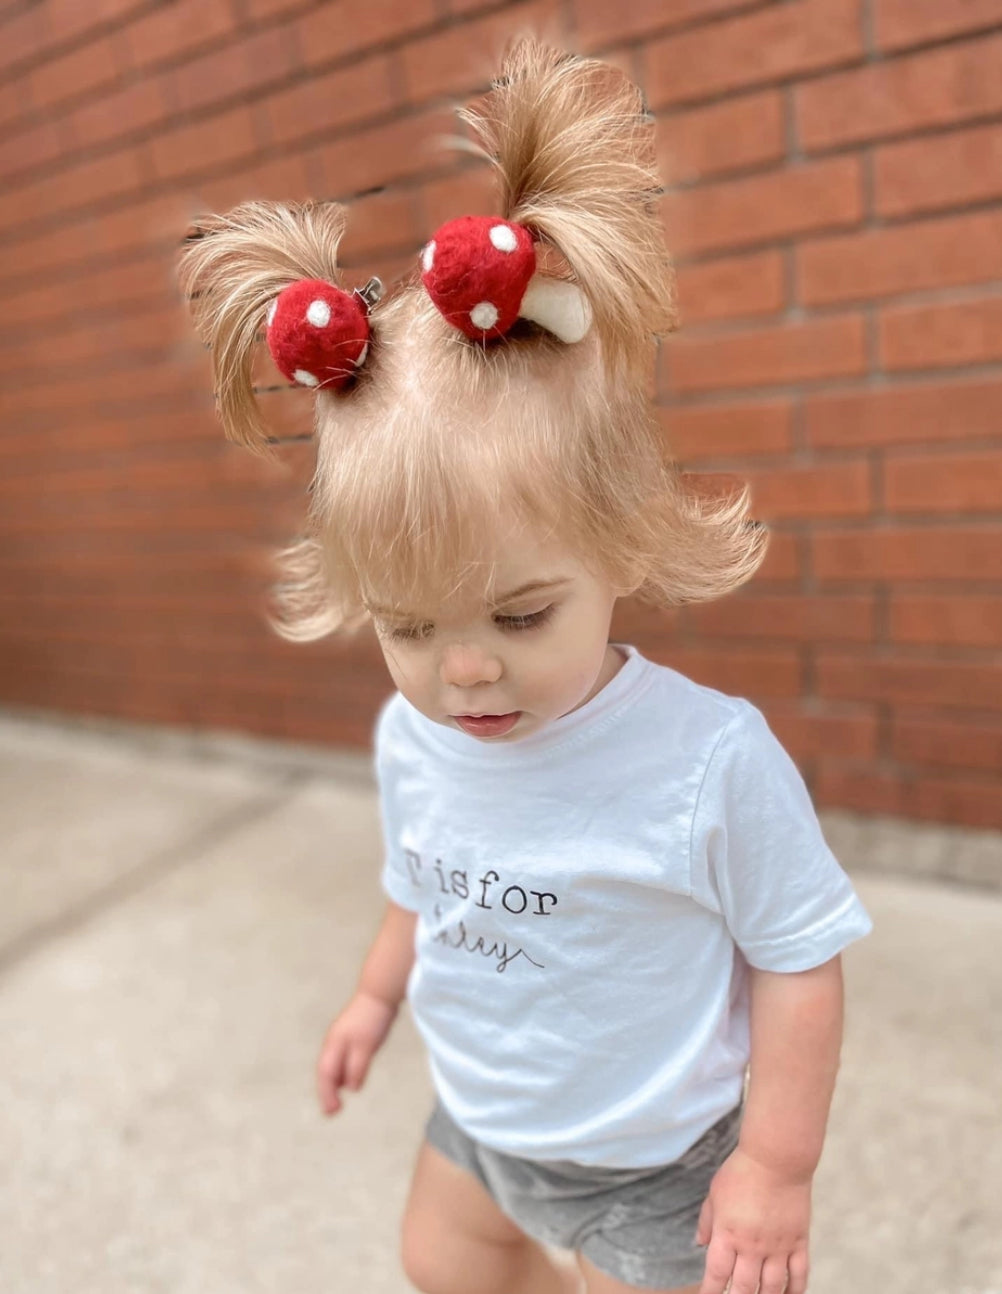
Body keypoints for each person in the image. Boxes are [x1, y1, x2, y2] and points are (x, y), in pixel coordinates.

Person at [178, 37, 873, 1294]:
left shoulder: (707, 759)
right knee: (444, 1261)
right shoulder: (415, 738)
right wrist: (373, 1003)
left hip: (661, 1162)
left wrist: (775, 1167)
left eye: (518, 616)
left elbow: (798, 956)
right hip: (486, 1123)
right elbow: (422, 885)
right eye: (409, 627)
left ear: (621, 543)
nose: (466, 677)